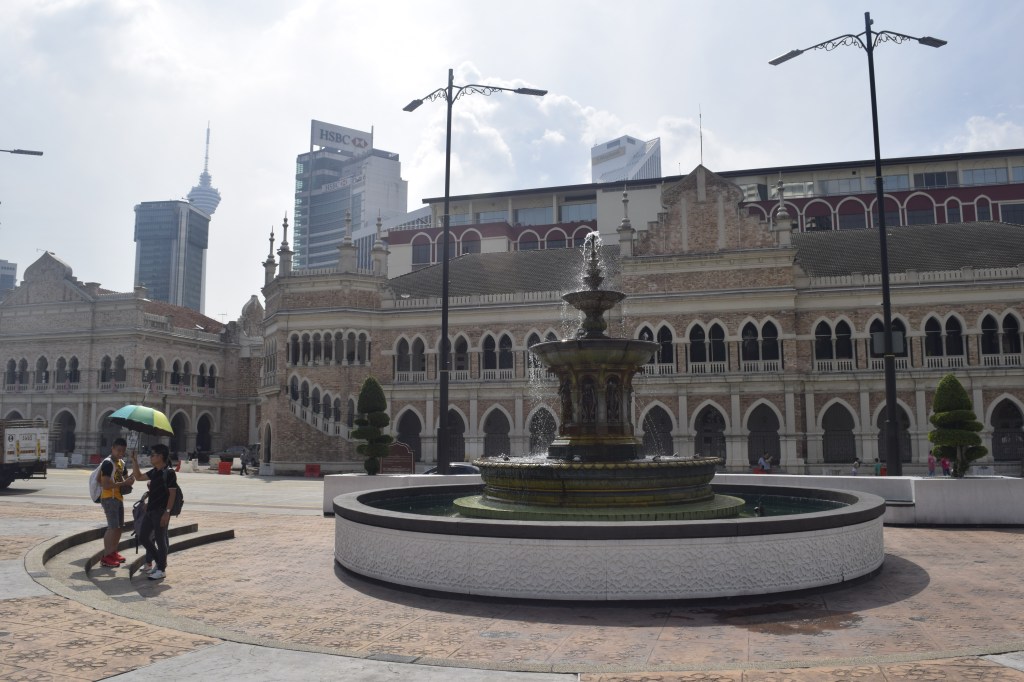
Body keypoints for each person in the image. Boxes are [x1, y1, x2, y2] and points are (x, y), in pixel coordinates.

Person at [129, 444, 178, 580]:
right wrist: (134, 460)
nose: (151, 457)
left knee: (161, 540)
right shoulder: (154, 471)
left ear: (160, 456)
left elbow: (172, 494)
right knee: (144, 537)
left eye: (153, 454)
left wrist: (167, 512)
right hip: (150, 511)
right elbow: (138, 477)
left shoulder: (169, 472)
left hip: (161, 511)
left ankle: (161, 569)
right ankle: (160, 562)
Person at [98, 438, 136, 568]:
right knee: (112, 527)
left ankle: (113, 552)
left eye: (123, 451)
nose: (120, 453)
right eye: (118, 450)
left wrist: (130, 479)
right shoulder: (108, 463)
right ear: (112, 449)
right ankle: (106, 556)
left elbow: (125, 478)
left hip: (118, 498)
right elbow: (106, 484)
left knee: (119, 527)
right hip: (109, 498)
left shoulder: (121, 463)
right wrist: (124, 483)